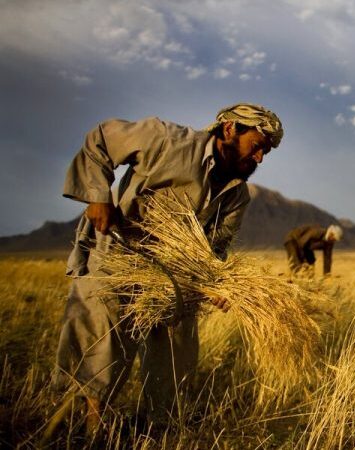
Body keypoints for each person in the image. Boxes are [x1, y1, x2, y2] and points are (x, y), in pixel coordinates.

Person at [53, 103, 283, 433]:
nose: (259, 158)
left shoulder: (237, 195)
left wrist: (217, 284)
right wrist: (97, 197)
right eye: (257, 146)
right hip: (118, 254)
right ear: (230, 129)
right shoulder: (166, 140)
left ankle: (158, 425)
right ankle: (90, 426)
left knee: (178, 350)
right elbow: (101, 139)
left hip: (175, 275)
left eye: (266, 153)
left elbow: (215, 249)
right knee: (100, 341)